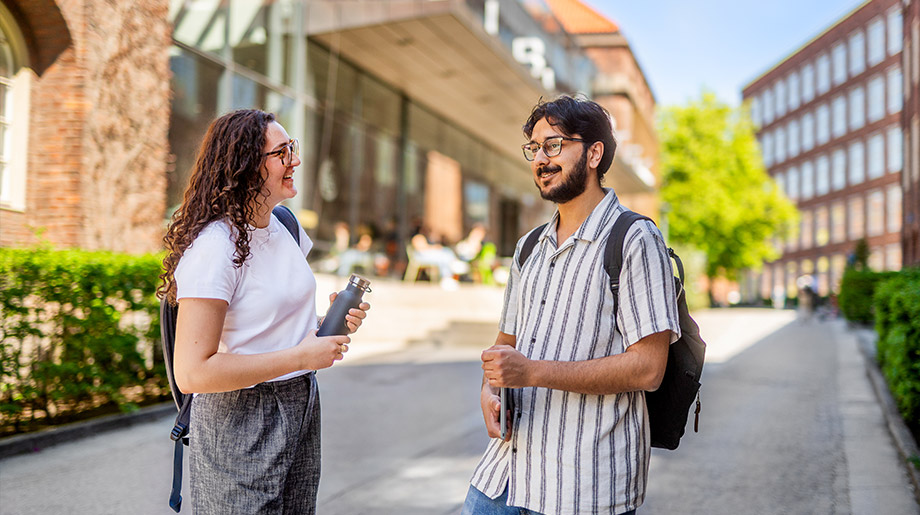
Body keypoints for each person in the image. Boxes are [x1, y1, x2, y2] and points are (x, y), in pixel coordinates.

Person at [464, 95, 681, 515]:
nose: (541, 160)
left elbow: (649, 368)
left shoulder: (635, 239)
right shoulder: (529, 246)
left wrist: (533, 372)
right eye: (534, 148)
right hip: (504, 477)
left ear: (595, 153)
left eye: (554, 145)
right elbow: (505, 344)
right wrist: (488, 389)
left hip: (585, 487)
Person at [158, 109, 370, 514]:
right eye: (281, 152)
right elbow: (192, 372)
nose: (295, 160)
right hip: (240, 415)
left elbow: (270, 324)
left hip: (301, 400)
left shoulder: (284, 226)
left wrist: (325, 327)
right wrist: (300, 357)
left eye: (293, 148)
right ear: (246, 166)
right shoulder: (214, 249)